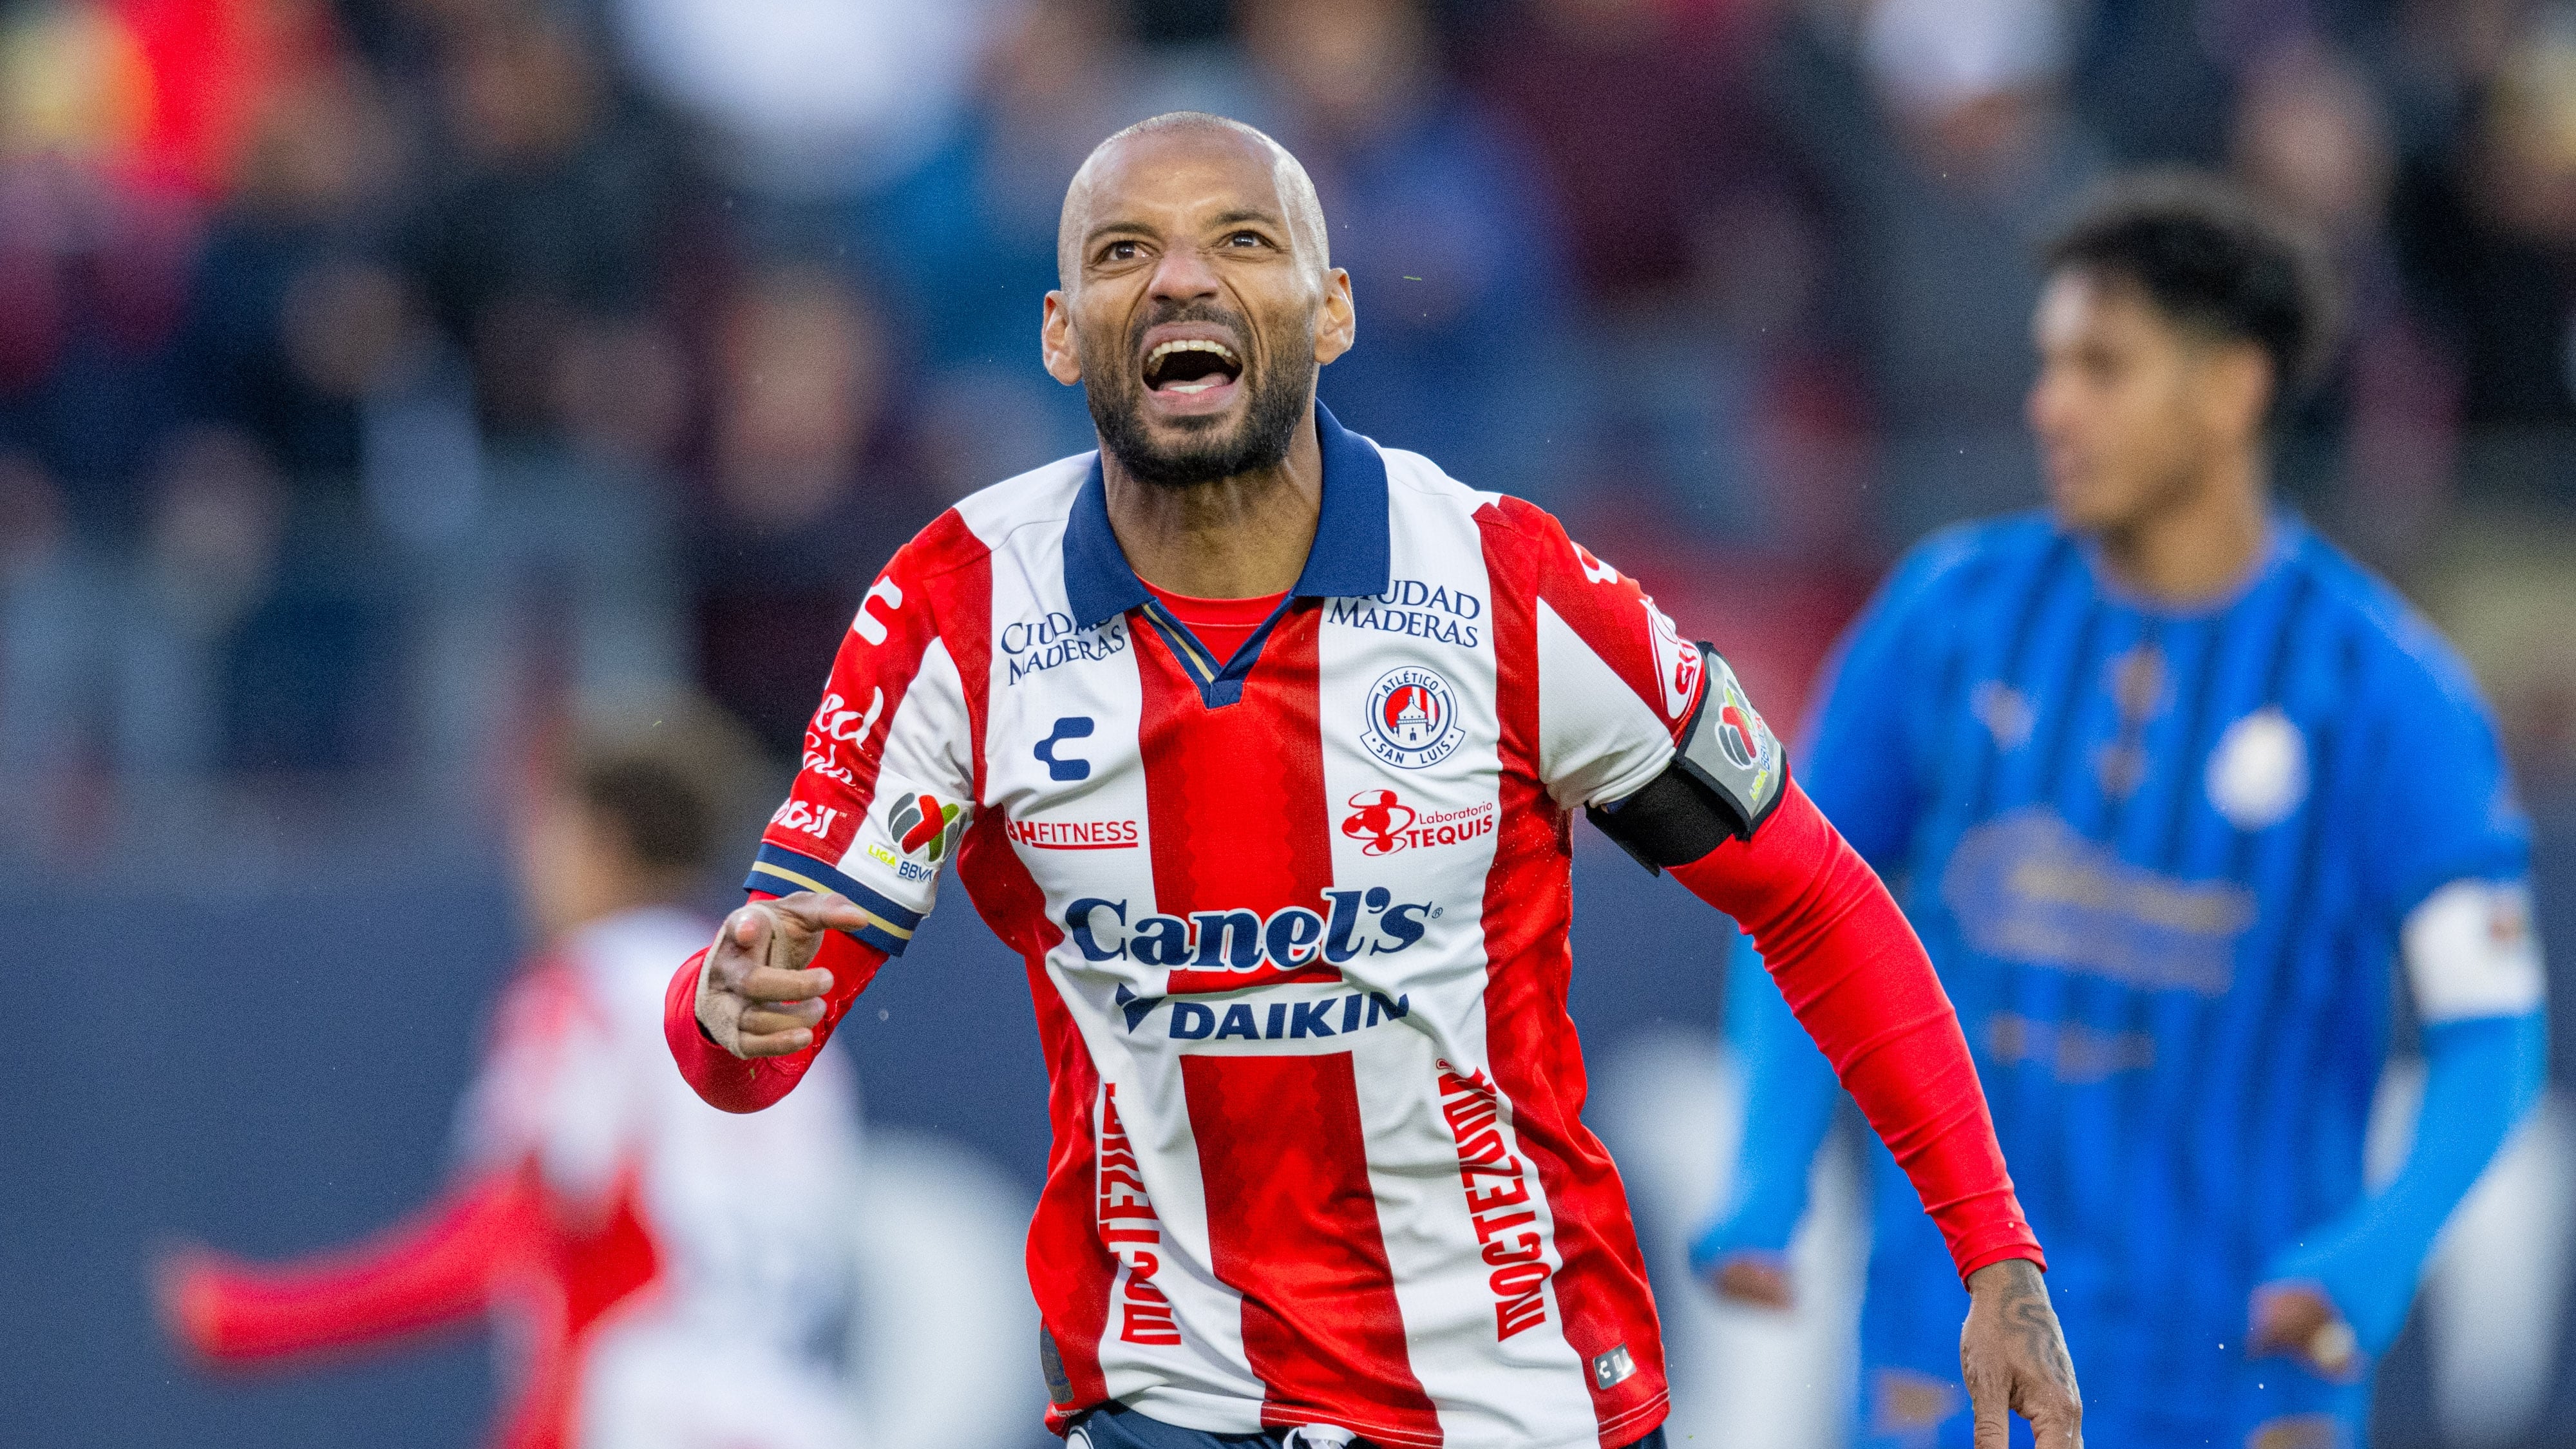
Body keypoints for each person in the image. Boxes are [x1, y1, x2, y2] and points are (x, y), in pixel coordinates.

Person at [668, 112, 2081, 1449]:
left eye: (1238, 240)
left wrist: (1993, 1247)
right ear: (1055, 335)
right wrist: (722, 1011)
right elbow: (755, 1034)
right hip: (1168, 1398)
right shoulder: (952, 608)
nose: (1177, 280)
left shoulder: (1507, 587)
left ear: (1331, 310)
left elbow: (1812, 898)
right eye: (1119, 253)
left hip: (1517, 1396)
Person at [1691, 173, 2548, 1446]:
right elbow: (1793, 904)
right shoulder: (1947, 616)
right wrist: (1766, 1170)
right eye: (2047, 364)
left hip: (2238, 1371)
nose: (2050, 405)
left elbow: (2489, 1037)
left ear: (2229, 390)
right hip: (1955, 1355)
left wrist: (2377, 1247)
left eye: (2102, 366)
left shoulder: (2380, 689)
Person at [160, 706, 866, 1449]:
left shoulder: (590, 985)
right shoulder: (790, 1021)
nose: (528, 861)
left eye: (544, 830)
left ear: (603, 840)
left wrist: (253, 1321)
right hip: (800, 1416)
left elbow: (511, 1234)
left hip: (639, 1407)